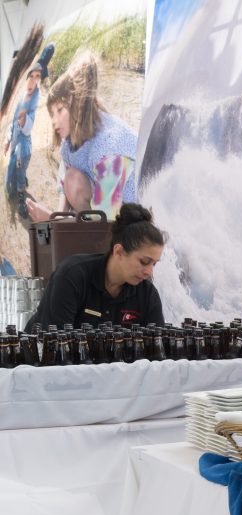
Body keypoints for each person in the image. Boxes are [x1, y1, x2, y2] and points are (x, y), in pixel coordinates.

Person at [25, 52, 139, 223]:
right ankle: (81, 232)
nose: (54, 121)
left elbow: (108, 224)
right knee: (72, 179)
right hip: (107, 211)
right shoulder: (71, 144)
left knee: (99, 231)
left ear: (76, 104)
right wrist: (58, 219)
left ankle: (86, 237)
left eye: (60, 110)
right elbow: (66, 185)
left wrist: (53, 221)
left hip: (133, 222)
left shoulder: (109, 147)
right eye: (51, 114)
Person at [24, 203, 165, 331]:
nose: (149, 272)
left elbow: (158, 350)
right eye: (144, 261)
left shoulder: (147, 294)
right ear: (119, 252)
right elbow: (54, 345)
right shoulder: (71, 276)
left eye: (154, 264)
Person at [3, 61, 46, 220]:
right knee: (8, 185)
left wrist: (23, 119)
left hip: (23, 148)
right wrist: (7, 139)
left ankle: (22, 195)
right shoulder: (21, 99)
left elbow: (28, 127)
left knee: (19, 172)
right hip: (14, 144)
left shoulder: (32, 104)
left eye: (37, 77)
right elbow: (13, 122)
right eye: (31, 76)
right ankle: (18, 182)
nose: (33, 81)